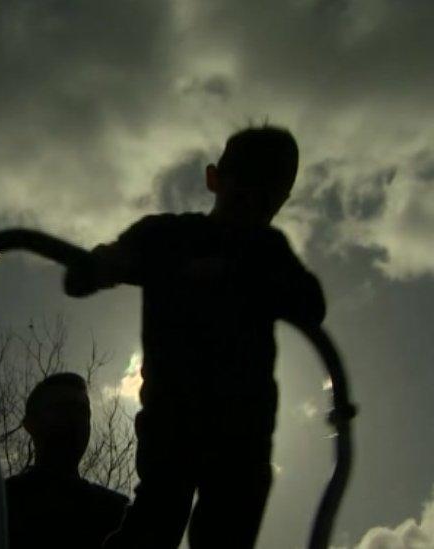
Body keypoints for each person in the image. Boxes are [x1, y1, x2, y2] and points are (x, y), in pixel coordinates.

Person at [64, 125, 326, 548]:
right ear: (215, 181)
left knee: (226, 529)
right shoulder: (166, 237)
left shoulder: (268, 251)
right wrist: (103, 264)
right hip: (173, 417)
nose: (253, 210)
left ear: (280, 203)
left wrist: (238, 275)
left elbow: (312, 305)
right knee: (156, 520)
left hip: (243, 432)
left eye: (268, 200)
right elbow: (80, 278)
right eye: (245, 192)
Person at [0, 372, 129, 549]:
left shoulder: (116, 512)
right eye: (61, 408)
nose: (74, 419)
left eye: (82, 411)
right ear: (30, 424)